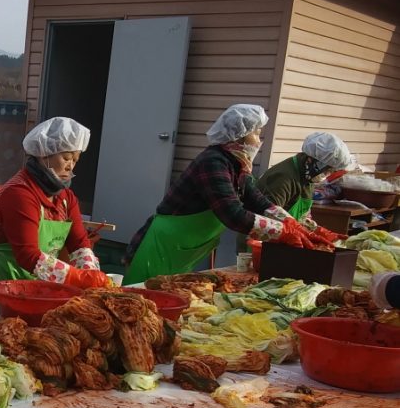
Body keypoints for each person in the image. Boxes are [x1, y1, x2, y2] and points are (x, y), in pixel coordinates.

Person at [124, 104, 327, 285]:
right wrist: (282, 232)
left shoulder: (236, 164)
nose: (259, 140)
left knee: (170, 294)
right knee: (141, 297)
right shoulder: (213, 162)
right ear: (239, 135)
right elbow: (232, 214)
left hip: (186, 247)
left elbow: (255, 198)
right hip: (164, 245)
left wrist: (292, 224)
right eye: (256, 133)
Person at [0, 117, 111, 313]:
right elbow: (28, 256)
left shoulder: (66, 198)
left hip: (37, 286)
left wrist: (92, 275)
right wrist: (79, 278)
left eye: (75, 160)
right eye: (66, 158)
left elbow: (79, 244)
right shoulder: (19, 193)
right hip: (0, 285)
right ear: (44, 154)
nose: (70, 166)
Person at [256, 131, 352, 242]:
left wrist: (316, 230)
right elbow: (267, 216)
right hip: (260, 240)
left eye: (333, 171)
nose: (328, 174)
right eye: (328, 170)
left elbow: (302, 217)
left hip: (282, 239)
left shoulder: (307, 178)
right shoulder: (284, 178)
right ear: (313, 161)